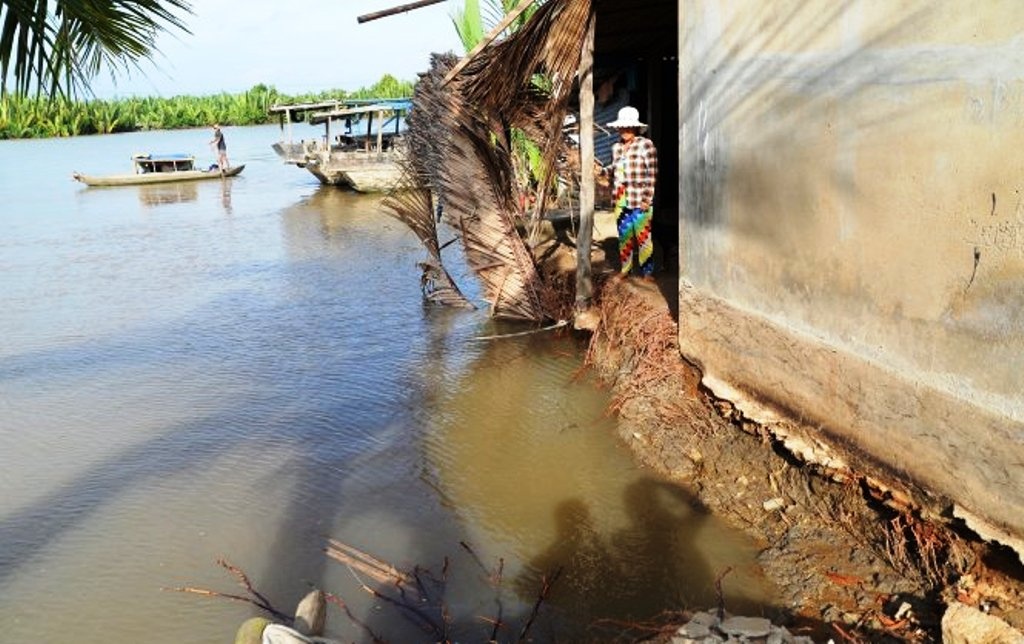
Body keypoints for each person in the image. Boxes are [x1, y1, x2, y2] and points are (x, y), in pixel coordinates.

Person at [605, 106, 657, 278]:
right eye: (622, 127)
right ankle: (625, 270)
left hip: (639, 198)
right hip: (620, 198)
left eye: (628, 127)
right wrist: (601, 171)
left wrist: (646, 199)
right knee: (624, 237)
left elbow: (652, 174)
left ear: (635, 127)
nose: (625, 130)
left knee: (643, 238)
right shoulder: (616, 148)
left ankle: (647, 272)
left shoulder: (645, 145)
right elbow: (614, 168)